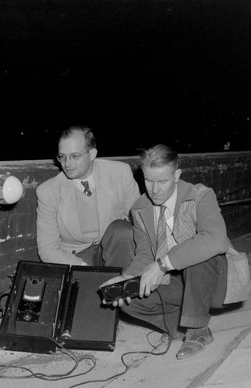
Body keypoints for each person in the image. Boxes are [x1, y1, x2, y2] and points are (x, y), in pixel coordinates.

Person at [101, 144, 240, 360]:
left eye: (162, 181)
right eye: (149, 181)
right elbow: (144, 255)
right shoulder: (139, 208)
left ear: (176, 175)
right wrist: (126, 278)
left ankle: (198, 330)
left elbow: (216, 240)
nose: (155, 190)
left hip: (215, 282)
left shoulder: (200, 195)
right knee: (130, 299)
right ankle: (181, 325)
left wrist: (163, 264)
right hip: (178, 285)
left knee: (195, 252)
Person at [36, 125, 140, 268]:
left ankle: (121, 283)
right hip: (76, 256)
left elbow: (141, 223)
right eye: (62, 157)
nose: (67, 164)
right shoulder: (48, 191)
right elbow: (47, 250)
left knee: (123, 230)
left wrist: (152, 264)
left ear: (92, 154)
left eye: (74, 156)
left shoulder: (120, 173)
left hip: (115, 250)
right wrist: (85, 269)